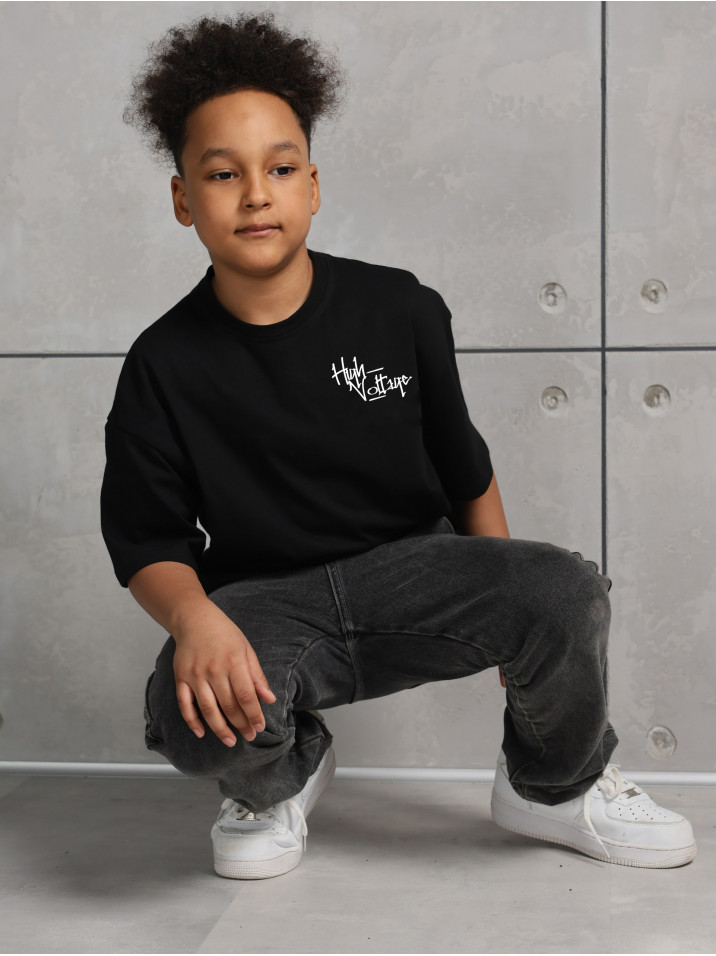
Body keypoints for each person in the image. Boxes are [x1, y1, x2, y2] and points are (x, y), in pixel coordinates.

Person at [101, 12, 696, 880]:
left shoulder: (400, 309)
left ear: (313, 185)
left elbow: (464, 466)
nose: (256, 194)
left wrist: (515, 599)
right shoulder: (162, 362)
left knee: (567, 589)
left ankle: (552, 787)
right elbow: (147, 538)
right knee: (188, 713)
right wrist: (197, 621)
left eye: (280, 168)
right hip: (270, 604)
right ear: (184, 198)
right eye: (223, 174)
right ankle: (282, 776)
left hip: (418, 577)